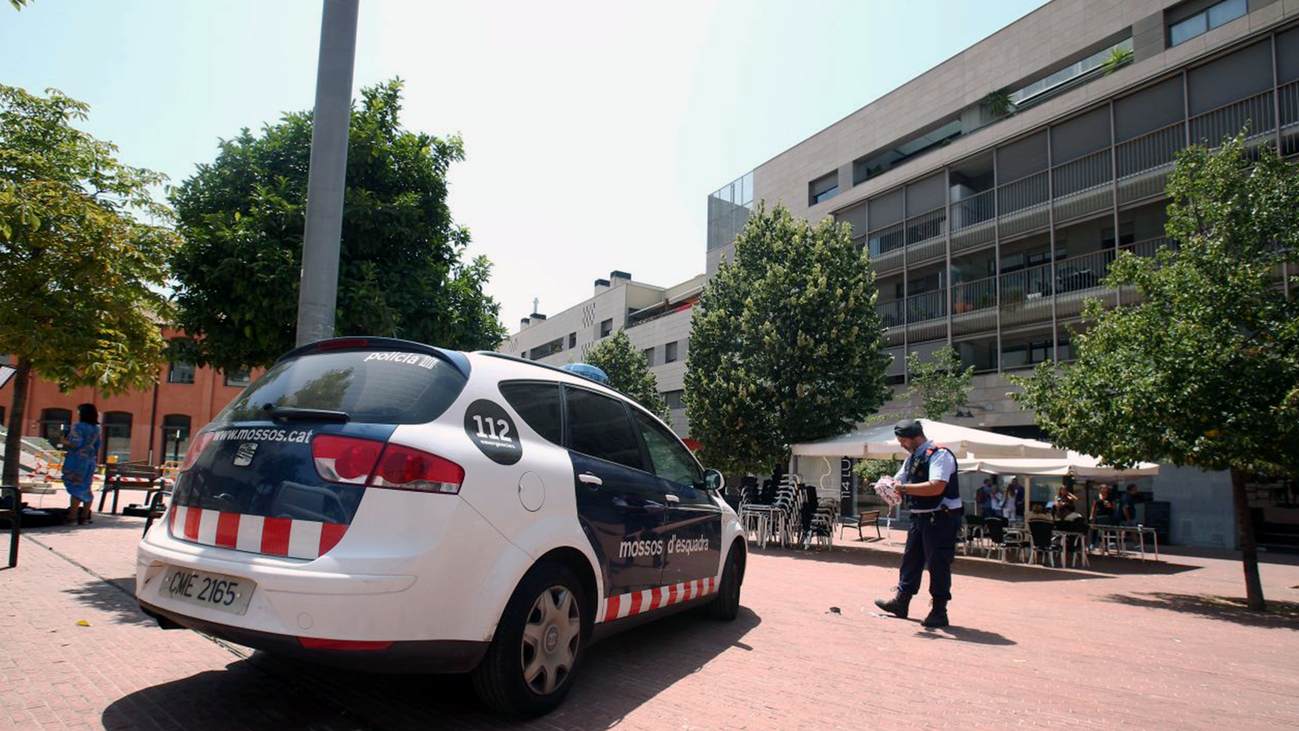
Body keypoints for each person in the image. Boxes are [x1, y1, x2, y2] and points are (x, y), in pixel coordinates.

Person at [874, 419, 962, 628]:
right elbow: (899, 482)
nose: (901, 444)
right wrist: (887, 486)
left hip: (941, 517)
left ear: (914, 437)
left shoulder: (940, 454)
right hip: (919, 516)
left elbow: (936, 486)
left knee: (938, 563)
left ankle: (939, 610)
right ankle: (901, 602)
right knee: (910, 560)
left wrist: (903, 489)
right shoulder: (912, 458)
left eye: (903, 440)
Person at [60, 403, 101, 525]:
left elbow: (76, 443)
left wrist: (64, 441)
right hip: (89, 459)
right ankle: (85, 517)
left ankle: (72, 517)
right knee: (86, 487)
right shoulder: (96, 429)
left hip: (77, 460)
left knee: (75, 487)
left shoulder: (78, 426)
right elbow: (98, 445)